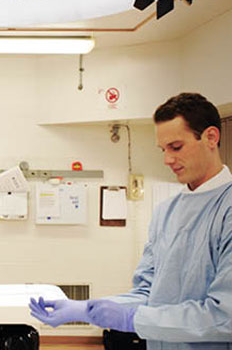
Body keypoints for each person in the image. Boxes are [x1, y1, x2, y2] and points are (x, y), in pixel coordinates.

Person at [29, 93, 232, 349]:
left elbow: (225, 316)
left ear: (211, 137)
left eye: (176, 147)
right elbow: (148, 293)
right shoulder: (166, 212)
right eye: (163, 149)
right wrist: (86, 309)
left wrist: (132, 318)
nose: (167, 159)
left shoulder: (226, 209)